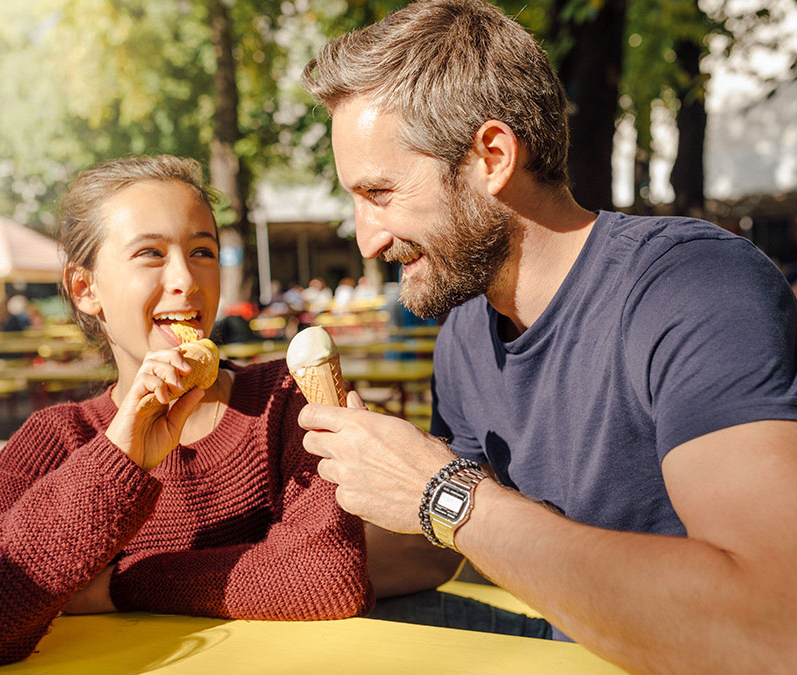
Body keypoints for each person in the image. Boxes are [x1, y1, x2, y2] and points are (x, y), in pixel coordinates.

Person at [297, 1, 797, 672]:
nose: (367, 238)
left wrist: (441, 491)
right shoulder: (466, 335)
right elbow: (432, 548)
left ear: (493, 157)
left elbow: (771, 622)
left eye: (380, 193)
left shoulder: (694, 286)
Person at [0, 155, 372, 675]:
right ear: (86, 289)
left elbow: (328, 576)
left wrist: (121, 583)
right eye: (150, 253)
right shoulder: (59, 437)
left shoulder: (286, 398)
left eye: (202, 251)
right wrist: (114, 460)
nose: (186, 280)